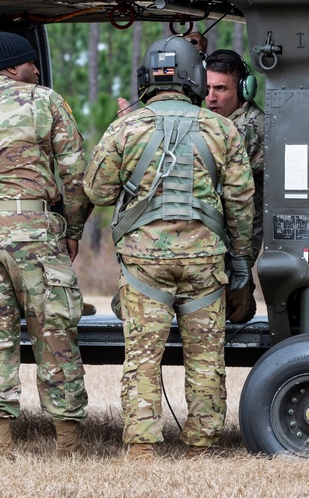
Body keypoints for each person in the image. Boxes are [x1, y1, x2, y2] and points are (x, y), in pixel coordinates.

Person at [84, 36, 254, 460]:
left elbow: (97, 190)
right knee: (205, 356)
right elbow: (241, 203)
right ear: (195, 78)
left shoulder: (126, 126)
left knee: (143, 356)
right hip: (203, 262)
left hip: (144, 264)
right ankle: (202, 444)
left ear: (148, 78)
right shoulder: (222, 128)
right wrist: (240, 261)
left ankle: (142, 447)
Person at [0, 31, 92, 458]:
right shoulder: (43, 101)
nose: (37, 69)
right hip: (30, 229)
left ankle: (0, 446)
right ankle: (67, 445)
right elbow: (76, 175)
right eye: (31, 63)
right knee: (54, 331)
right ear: (13, 66)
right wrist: (72, 231)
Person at [205, 49, 263, 323]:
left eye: (220, 89)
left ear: (243, 89)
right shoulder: (216, 122)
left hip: (235, 237)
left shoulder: (247, 127)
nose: (210, 98)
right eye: (205, 88)